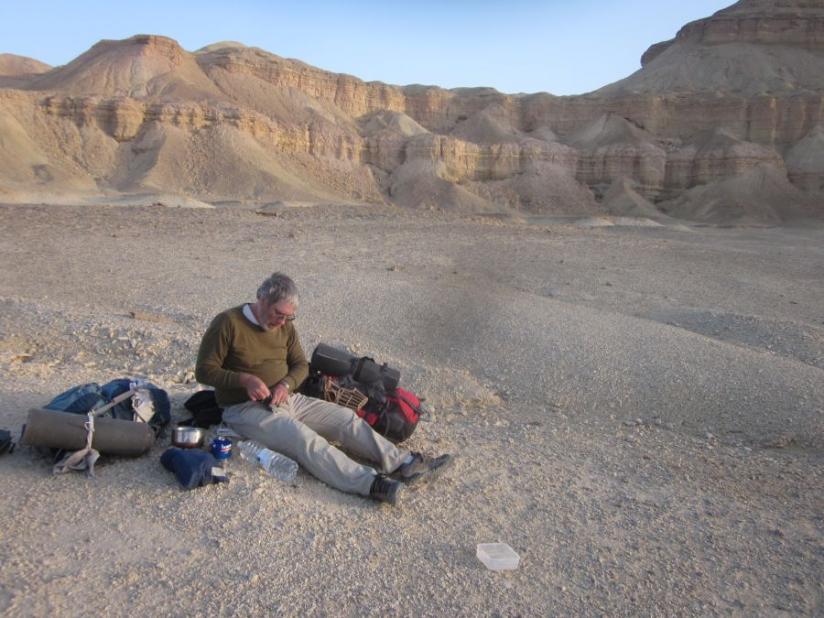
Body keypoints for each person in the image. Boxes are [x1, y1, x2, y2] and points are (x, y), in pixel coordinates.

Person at [195, 272, 450, 505]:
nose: (282, 322)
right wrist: (244, 380)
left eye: (288, 317)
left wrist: (286, 384)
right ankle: (371, 484)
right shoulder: (227, 323)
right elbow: (205, 370)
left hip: (287, 399)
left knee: (345, 419)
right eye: (278, 314)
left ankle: (404, 463)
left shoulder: (285, 328)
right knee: (305, 440)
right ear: (261, 299)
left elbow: (299, 366)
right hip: (244, 410)